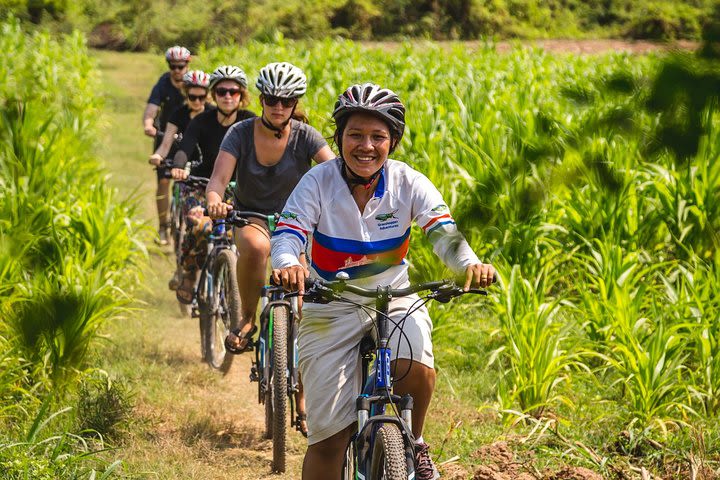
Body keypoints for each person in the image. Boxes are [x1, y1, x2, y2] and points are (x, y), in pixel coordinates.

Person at [270, 83, 496, 480]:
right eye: (355, 135)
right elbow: (288, 231)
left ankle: (416, 441)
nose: (366, 146)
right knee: (328, 440)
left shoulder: (409, 182)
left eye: (378, 137)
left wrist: (468, 265)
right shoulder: (317, 182)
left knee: (419, 368)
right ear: (339, 138)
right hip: (330, 303)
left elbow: (444, 233)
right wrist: (288, 263)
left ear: (393, 141)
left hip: (394, 296)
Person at [206, 62, 335, 434]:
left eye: (287, 101)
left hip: (297, 224)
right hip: (251, 216)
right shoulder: (240, 133)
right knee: (257, 248)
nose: (278, 107)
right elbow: (218, 179)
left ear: (296, 103)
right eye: (272, 99)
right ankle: (247, 317)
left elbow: (335, 174)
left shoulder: (307, 136)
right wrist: (215, 199)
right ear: (261, 99)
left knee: (306, 301)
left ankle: (304, 395)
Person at [171, 65, 256, 304]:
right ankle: (189, 272)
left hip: (239, 188)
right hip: (202, 185)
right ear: (213, 94)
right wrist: (179, 166)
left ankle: (235, 286)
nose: (228, 96)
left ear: (242, 95)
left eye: (233, 91)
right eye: (221, 91)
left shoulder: (251, 122)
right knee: (199, 225)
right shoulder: (201, 121)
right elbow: (185, 148)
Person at [143, 45, 192, 245]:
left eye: (181, 66)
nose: (177, 70)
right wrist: (148, 124)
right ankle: (163, 227)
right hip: (165, 138)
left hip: (191, 138)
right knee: (163, 182)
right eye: (173, 66)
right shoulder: (163, 83)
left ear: (187, 65)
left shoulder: (194, 84)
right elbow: (152, 108)